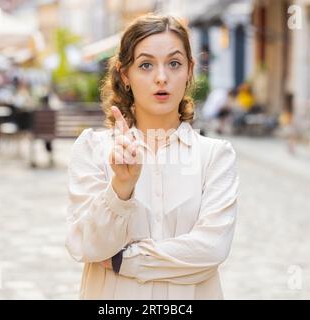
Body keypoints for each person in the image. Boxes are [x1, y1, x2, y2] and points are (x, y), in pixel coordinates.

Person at [65, 14, 239, 300]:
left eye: (174, 63)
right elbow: (86, 246)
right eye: (146, 65)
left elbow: (212, 249)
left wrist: (123, 261)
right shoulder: (94, 150)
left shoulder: (215, 156)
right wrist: (120, 189)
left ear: (189, 71)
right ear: (125, 75)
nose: (161, 77)